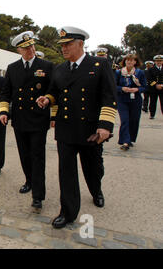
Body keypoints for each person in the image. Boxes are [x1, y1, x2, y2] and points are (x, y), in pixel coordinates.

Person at [36, 26, 117, 229]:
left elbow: (109, 96)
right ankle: (68, 212)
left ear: (80, 44)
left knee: (93, 167)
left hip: (91, 130)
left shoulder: (99, 64)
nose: (64, 48)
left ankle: (96, 190)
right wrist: (47, 99)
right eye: (62, 45)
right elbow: (54, 91)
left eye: (68, 44)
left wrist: (105, 126)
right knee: (67, 172)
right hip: (66, 129)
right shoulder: (60, 69)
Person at [0, 31, 54, 211]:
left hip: (38, 119)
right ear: (19, 50)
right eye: (25, 47)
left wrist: (51, 109)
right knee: (24, 155)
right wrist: (4, 112)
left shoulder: (46, 65)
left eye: (31, 45)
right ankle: (29, 180)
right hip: (20, 119)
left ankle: (38, 195)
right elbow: (6, 93)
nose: (29, 49)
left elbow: (54, 91)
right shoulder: (12, 68)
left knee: (37, 156)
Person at [115, 54, 146, 150]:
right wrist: (122, 88)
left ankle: (130, 139)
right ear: (124, 62)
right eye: (127, 60)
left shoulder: (139, 73)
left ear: (135, 62)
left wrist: (137, 90)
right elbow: (114, 86)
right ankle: (125, 141)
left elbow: (144, 86)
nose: (129, 62)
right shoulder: (119, 72)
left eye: (132, 60)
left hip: (135, 100)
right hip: (122, 100)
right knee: (125, 120)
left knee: (134, 120)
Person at [148, 55, 163, 119]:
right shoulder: (151, 69)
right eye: (157, 61)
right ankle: (152, 114)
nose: (159, 62)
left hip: (162, 88)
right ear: (155, 62)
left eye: (160, 61)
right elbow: (149, 79)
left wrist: (162, 85)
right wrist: (156, 85)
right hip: (154, 89)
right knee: (153, 102)